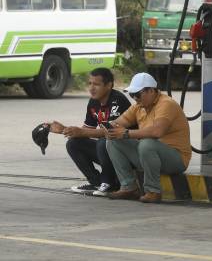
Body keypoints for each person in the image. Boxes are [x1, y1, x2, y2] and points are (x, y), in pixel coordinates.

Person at [105, 72, 191, 203]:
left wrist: (126, 133)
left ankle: (153, 191)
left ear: (151, 91)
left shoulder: (166, 104)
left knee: (147, 143)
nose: (135, 98)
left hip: (176, 159)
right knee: (112, 141)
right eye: (132, 95)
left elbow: (157, 132)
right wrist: (80, 132)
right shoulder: (138, 106)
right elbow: (116, 125)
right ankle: (129, 187)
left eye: (137, 94)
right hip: (150, 156)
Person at [47, 68, 131, 196]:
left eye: (96, 84)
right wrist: (64, 129)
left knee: (105, 140)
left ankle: (109, 183)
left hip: (125, 151)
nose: (91, 88)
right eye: (89, 83)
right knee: (74, 143)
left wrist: (79, 132)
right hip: (108, 149)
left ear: (109, 85)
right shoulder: (93, 102)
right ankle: (96, 182)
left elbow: (111, 132)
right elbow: (86, 132)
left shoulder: (117, 100)